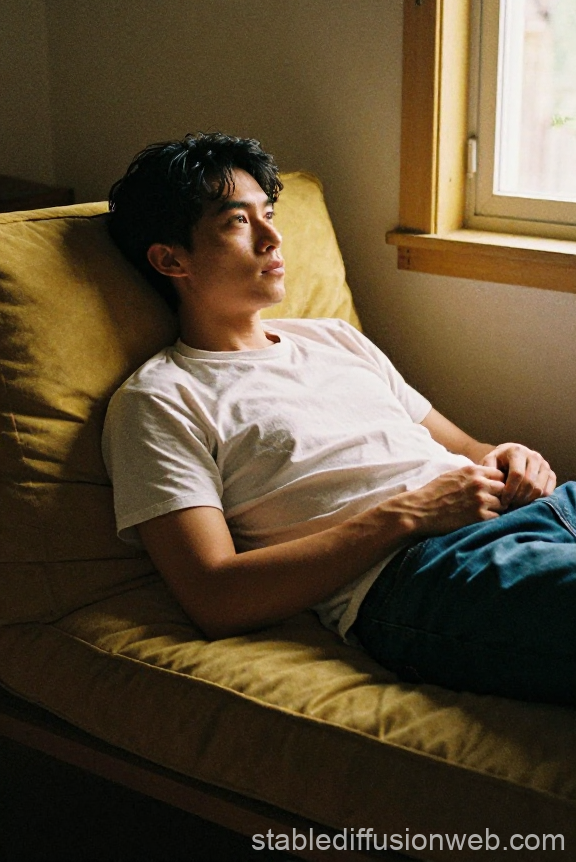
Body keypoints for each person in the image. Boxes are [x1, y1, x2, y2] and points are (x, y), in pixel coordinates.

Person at [103, 131, 575, 707]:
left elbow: (470, 449)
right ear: (171, 258)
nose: (274, 238)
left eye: (269, 214)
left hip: (543, 511)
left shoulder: (333, 338)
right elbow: (213, 595)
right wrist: (407, 515)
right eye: (237, 222)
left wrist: (512, 457)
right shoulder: (160, 398)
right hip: (428, 574)